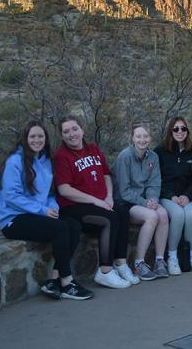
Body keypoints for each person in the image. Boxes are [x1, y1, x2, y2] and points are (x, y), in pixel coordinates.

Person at [0, 120, 93, 300]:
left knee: (73, 225)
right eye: (32, 136)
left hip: (36, 214)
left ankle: (54, 280)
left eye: (41, 136)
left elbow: (48, 193)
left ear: (46, 139)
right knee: (60, 228)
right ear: (25, 138)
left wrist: (52, 208)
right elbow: (12, 196)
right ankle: (67, 282)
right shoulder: (15, 161)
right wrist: (42, 210)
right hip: (13, 219)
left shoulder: (45, 160)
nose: (37, 140)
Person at [54, 116, 135, 289]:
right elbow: (64, 189)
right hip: (73, 207)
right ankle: (105, 272)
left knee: (122, 212)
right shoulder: (62, 156)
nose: (71, 134)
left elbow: (106, 174)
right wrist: (96, 202)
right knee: (109, 218)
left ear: (82, 130)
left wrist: (109, 197)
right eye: (66, 131)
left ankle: (120, 264)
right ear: (62, 136)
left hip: (99, 201)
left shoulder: (93, 149)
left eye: (74, 129)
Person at [114, 123, 169, 280]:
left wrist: (152, 200)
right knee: (152, 216)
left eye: (145, 136)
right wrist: (146, 204)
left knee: (163, 214)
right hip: (126, 203)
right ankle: (139, 264)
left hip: (145, 201)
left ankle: (159, 261)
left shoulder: (153, 157)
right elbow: (124, 191)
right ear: (132, 138)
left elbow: (154, 183)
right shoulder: (125, 157)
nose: (142, 139)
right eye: (138, 136)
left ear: (150, 138)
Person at [155, 117, 192, 275]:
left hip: (186, 196)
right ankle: (172, 257)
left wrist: (188, 196)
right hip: (167, 196)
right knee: (177, 215)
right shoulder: (160, 152)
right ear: (170, 131)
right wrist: (171, 196)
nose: (180, 132)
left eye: (183, 128)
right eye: (176, 129)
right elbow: (157, 179)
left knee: (191, 215)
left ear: (187, 131)